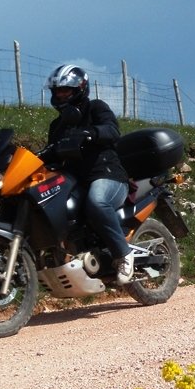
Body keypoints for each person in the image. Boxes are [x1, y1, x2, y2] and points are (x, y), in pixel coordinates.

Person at [41, 64, 134, 284]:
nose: (61, 94)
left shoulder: (96, 108)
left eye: (66, 90)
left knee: (97, 202)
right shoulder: (57, 125)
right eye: (58, 91)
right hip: (76, 181)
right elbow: (52, 153)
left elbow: (112, 130)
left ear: (79, 89)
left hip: (108, 175)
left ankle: (124, 254)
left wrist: (91, 132)